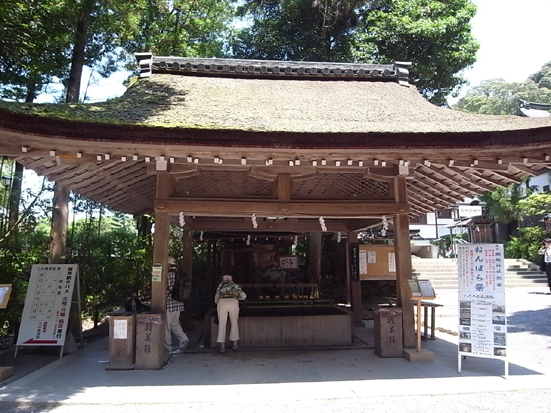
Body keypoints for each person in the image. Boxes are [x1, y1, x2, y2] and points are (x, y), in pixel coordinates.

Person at [214, 274, 246, 354]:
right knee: (234, 323)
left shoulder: (220, 286)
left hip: (222, 303)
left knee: (222, 324)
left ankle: (222, 346)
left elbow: (216, 300)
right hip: (233, 302)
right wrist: (238, 298)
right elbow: (244, 296)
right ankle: (235, 344)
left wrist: (220, 303)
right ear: (231, 279)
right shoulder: (235, 285)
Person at [165, 256, 190, 354]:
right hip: (179, 303)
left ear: (168, 264)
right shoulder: (180, 274)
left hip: (169, 303)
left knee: (166, 326)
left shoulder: (168, 275)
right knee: (175, 323)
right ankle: (184, 339)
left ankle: (167, 348)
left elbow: (167, 290)